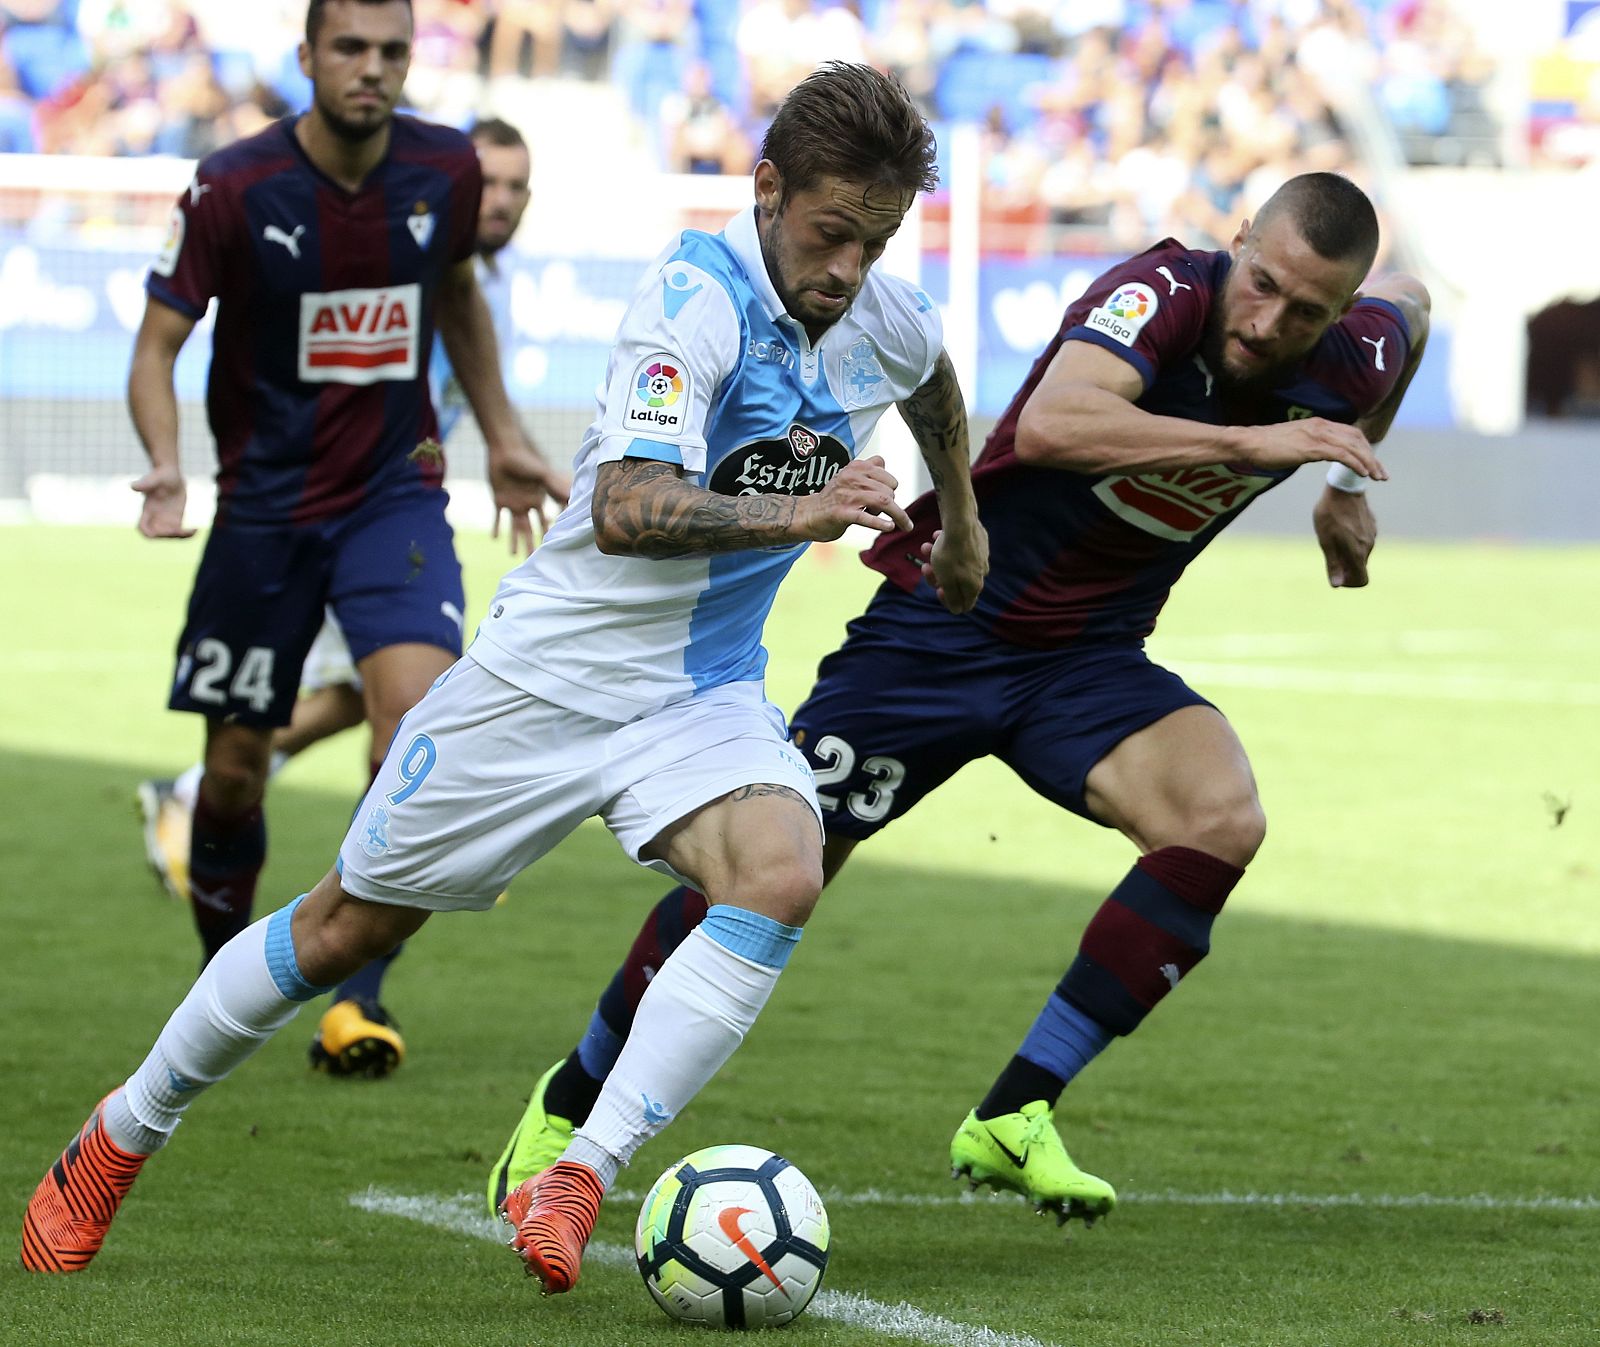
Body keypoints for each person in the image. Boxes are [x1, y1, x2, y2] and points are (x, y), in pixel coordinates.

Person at [21, 59, 988, 1290]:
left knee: (782, 870)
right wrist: (796, 516)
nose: (847, 267)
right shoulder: (692, 299)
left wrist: (962, 523)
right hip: (544, 678)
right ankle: (123, 1130)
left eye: (876, 241)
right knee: (343, 928)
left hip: (697, 693)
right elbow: (628, 508)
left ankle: (579, 1174)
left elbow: (932, 383)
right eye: (830, 232)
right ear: (765, 189)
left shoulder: (885, 316)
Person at [485, 170, 1432, 1228]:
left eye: (1307, 310)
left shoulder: (1359, 352)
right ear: (1239, 241)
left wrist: (1345, 488)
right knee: (770, 869)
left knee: (1219, 817)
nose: (1268, 322)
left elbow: (1414, 306)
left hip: (1088, 658)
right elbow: (1058, 424)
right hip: (941, 625)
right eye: (1261, 284)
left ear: (1341, 312)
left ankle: (1014, 1113)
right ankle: (569, 1103)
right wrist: (1256, 444)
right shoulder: (1161, 293)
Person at [117, 0, 560, 1005]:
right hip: (263, 511)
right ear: (308, 56)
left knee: (413, 742)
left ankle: (354, 990)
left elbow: (457, 296)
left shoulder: (444, 168)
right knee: (234, 772)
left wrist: (502, 436)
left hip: (393, 497)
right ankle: (222, 989)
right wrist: (165, 462)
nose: (372, 68)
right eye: (350, 48)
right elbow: (156, 345)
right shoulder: (232, 185)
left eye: (392, 51)